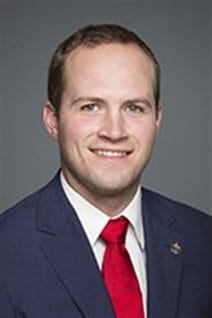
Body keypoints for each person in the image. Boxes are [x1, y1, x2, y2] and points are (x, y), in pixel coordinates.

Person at [0, 24, 212, 318]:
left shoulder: (203, 240)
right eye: (91, 107)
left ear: (157, 121)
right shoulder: (6, 251)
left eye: (134, 108)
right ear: (52, 120)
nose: (114, 131)